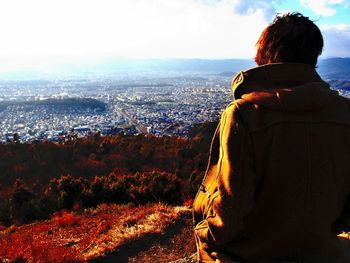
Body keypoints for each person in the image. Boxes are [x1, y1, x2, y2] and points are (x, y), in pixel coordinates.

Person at [193, 12, 350, 263]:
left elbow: (230, 210)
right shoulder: (345, 113)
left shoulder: (244, 114)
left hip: (249, 256)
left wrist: (204, 233)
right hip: (325, 253)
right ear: (314, 55)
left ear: (264, 56)